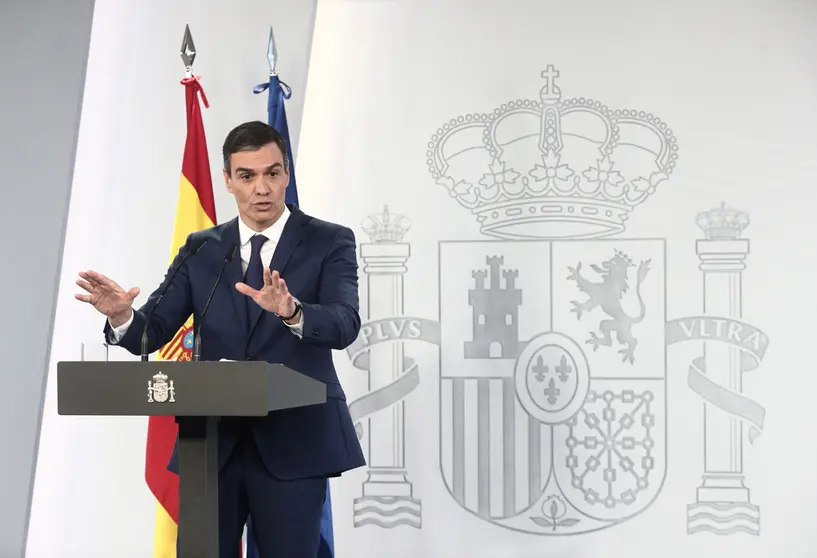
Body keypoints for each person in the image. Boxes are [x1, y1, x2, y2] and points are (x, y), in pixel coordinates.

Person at [74, 120, 366, 557]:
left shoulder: (329, 240)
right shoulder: (202, 248)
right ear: (228, 181)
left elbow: (345, 324)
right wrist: (121, 317)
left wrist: (292, 310)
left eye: (272, 173)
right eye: (246, 176)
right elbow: (151, 331)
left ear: (287, 173)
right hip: (212, 447)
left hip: (295, 441)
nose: (261, 188)